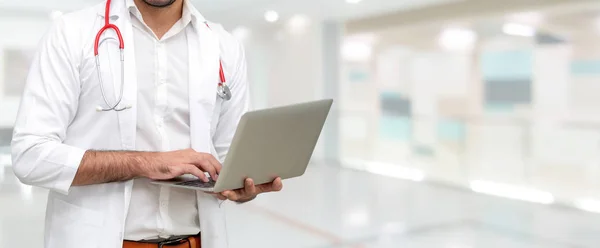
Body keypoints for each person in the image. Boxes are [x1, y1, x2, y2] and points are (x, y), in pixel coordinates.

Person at [10, 0, 283, 247]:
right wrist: (146, 162)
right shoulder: (71, 34)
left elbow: (227, 159)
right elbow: (30, 155)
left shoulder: (224, 45)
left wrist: (243, 187)